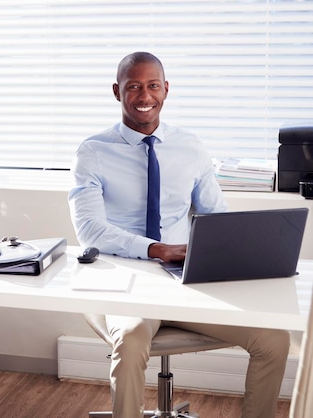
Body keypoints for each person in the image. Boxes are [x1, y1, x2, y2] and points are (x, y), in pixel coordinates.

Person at [68, 51, 290, 418]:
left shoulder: (190, 147)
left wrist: (246, 251)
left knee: (273, 338)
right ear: (116, 91)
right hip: (122, 280)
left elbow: (216, 217)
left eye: (153, 85)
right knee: (131, 336)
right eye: (134, 86)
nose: (144, 96)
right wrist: (156, 249)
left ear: (166, 90)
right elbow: (90, 230)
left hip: (185, 280)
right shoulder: (92, 152)